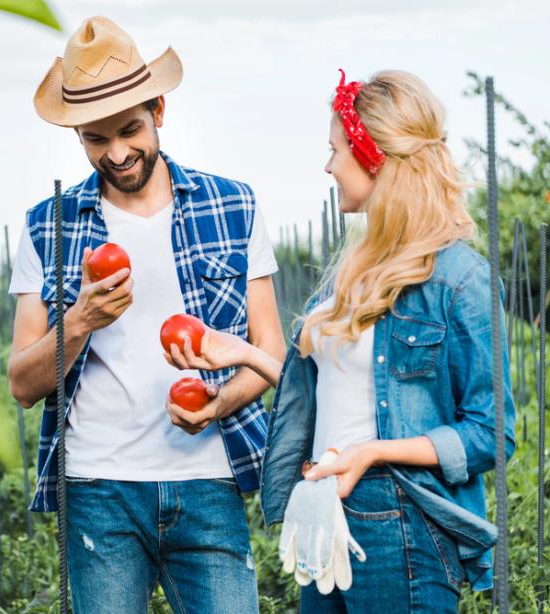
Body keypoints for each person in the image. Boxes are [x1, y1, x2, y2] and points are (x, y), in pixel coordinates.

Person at [165, 68, 517, 612]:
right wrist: (242, 353)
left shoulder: (458, 279)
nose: (327, 165)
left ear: (372, 154)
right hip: (326, 510)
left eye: (335, 150)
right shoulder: (351, 274)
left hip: (401, 518)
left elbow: (491, 434)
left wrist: (371, 452)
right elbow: (333, 394)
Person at [7, 15, 286, 613]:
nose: (116, 153)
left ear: (159, 109)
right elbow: (22, 385)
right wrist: (79, 320)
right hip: (98, 487)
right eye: (94, 138)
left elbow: (271, 351)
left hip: (209, 480)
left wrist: (218, 404)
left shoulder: (233, 205)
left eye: (129, 129)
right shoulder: (45, 226)